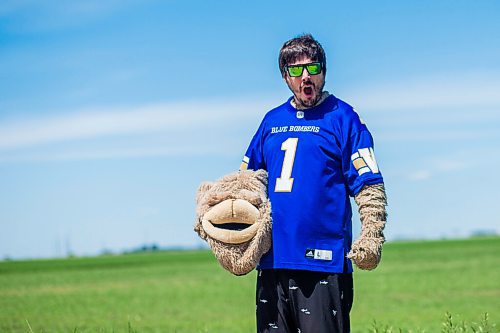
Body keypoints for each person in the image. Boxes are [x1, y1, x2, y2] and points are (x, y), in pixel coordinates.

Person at [239, 34, 387, 333]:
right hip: (273, 261)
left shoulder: (343, 118)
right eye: (296, 70)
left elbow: (368, 183)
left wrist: (372, 233)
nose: (306, 76)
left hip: (323, 261)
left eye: (313, 68)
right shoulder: (270, 121)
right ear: (285, 76)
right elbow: (245, 184)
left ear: (324, 71)